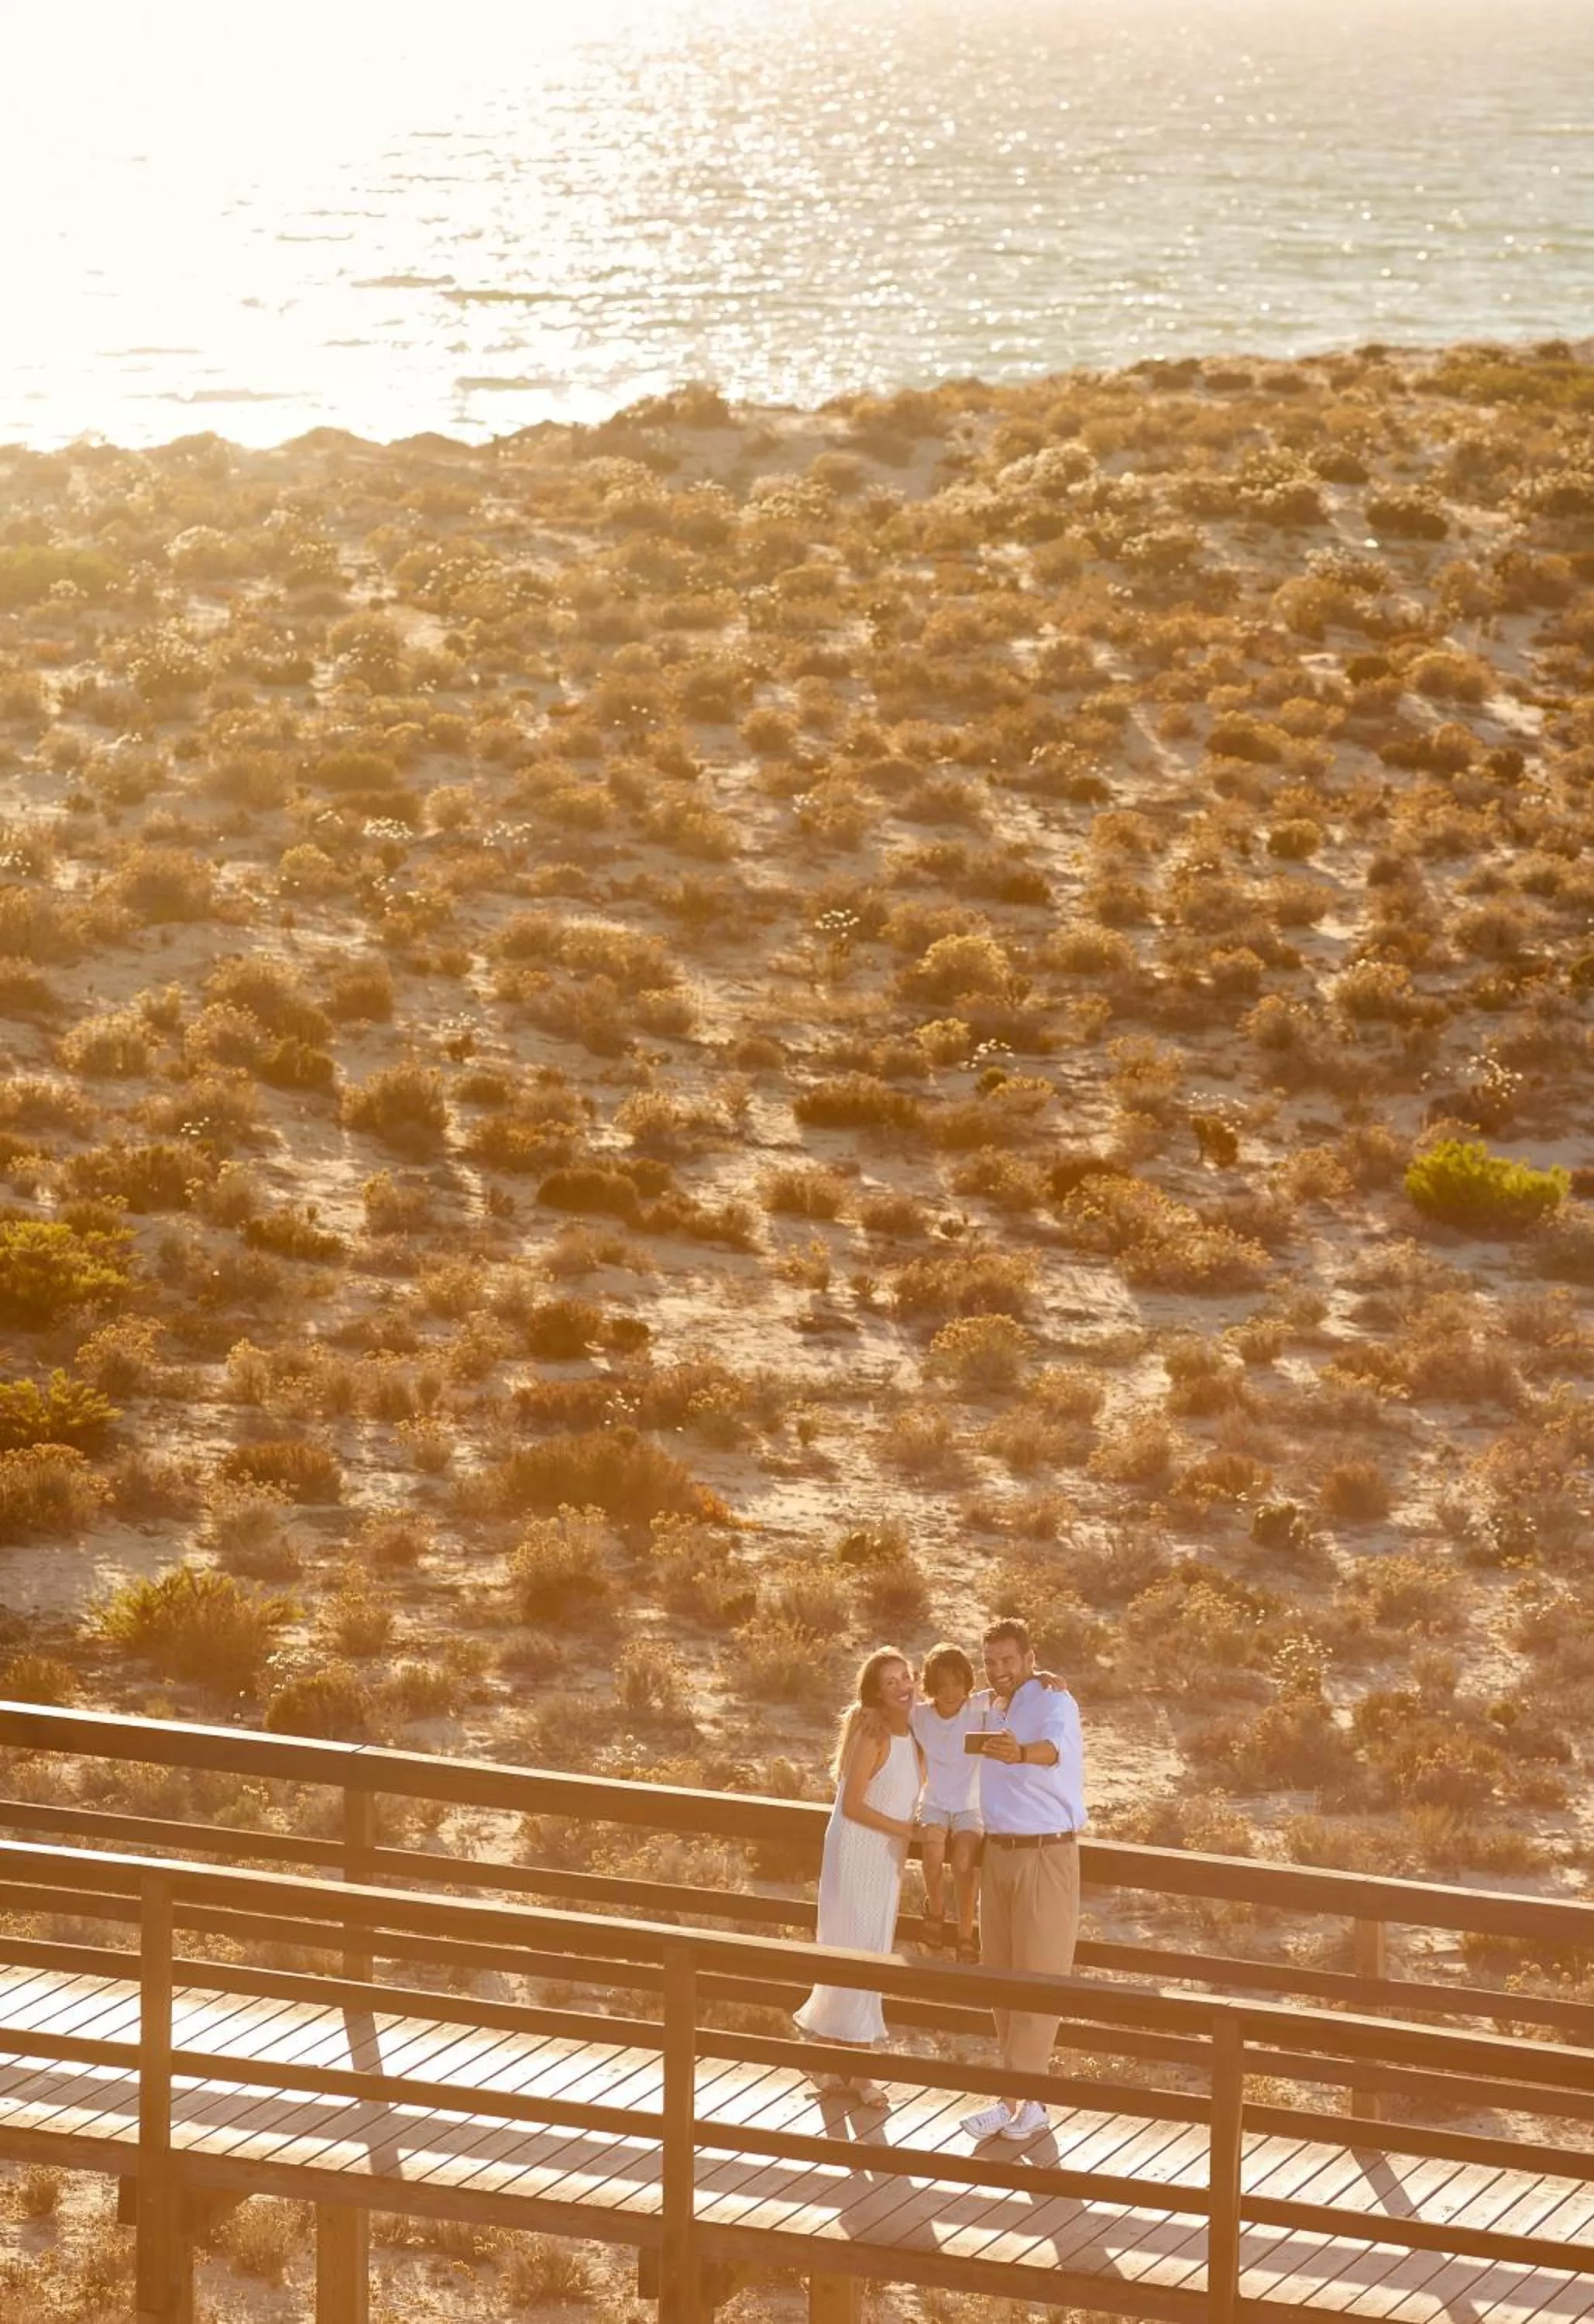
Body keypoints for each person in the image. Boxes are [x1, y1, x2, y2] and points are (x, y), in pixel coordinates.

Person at [958, 1615, 1086, 2145]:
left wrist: (1020, 1754)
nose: (1000, 1670)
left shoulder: (1055, 1701)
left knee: (1038, 1980)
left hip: (1045, 1853)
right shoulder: (988, 1705)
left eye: (1009, 1660)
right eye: (991, 1662)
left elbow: (1054, 1750)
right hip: (999, 1855)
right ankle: (1029, 2104)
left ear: (1030, 1659)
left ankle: (1008, 2101)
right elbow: (934, 1713)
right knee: (1001, 1981)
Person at [795, 1647, 924, 2104]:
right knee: (853, 1953)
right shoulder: (872, 1734)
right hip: (855, 1851)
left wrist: (1045, 1677)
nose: (903, 1686)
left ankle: (836, 2063)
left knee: (871, 1952)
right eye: (891, 1682)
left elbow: (968, 1703)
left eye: (906, 1676)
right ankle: (857, 2072)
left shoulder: (920, 1730)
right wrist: (905, 1830)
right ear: (875, 1693)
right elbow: (851, 1805)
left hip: (887, 1857)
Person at [909, 1642, 984, 1962]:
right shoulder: (920, 1715)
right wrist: (868, 1711)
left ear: (967, 1682)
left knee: (965, 1862)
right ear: (931, 1688)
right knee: (932, 1852)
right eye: (942, 1686)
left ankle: (966, 1932)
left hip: (971, 1805)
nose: (951, 1692)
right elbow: (884, 1701)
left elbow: (1018, 1690)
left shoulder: (979, 1708)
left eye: (957, 1683)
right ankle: (935, 1911)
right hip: (935, 1801)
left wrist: (1046, 1677)